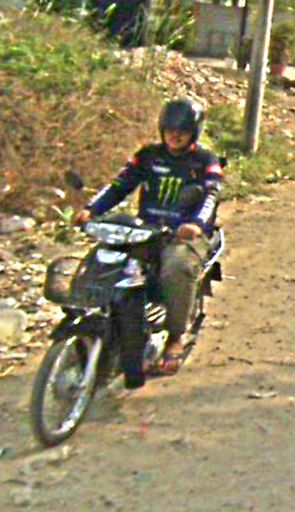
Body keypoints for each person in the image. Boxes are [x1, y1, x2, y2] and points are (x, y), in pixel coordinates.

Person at [75, 99, 224, 376]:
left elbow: (210, 196)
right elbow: (119, 185)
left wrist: (195, 224)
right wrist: (91, 209)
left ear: (194, 132)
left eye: (182, 131)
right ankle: (94, 317)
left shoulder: (206, 161)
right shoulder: (148, 156)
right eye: (169, 130)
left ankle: (175, 337)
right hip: (144, 231)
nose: (175, 136)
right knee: (103, 259)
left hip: (183, 236)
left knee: (177, 267)